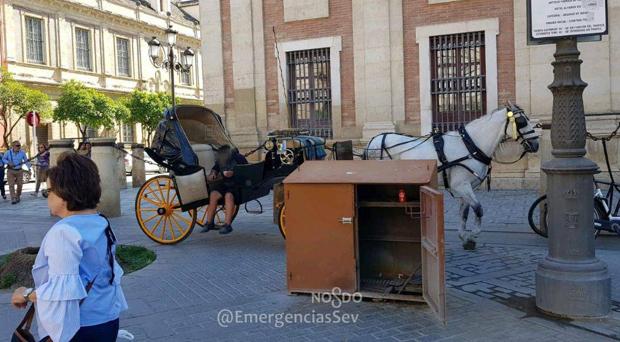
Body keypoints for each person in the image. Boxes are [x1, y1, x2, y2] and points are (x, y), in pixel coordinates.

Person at [10, 153, 127, 342]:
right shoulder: (100, 222)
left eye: (49, 192)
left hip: (78, 327)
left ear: (64, 194)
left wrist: (24, 294)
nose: (47, 197)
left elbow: (62, 289)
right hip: (107, 319)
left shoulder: (64, 232)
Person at [201, 145, 248, 234]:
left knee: (228, 196)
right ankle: (209, 222)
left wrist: (233, 173)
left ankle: (227, 225)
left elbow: (246, 171)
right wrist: (213, 174)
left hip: (237, 185)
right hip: (225, 184)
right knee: (213, 194)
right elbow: (215, 169)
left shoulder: (238, 158)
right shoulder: (220, 160)